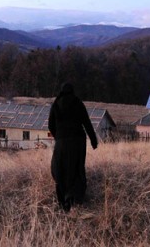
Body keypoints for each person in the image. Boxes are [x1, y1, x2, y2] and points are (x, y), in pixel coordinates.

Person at [48, 83, 98, 212]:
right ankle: (75, 196)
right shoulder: (77, 102)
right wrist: (93, 140)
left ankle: (64, 201)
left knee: (60, 168)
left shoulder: (56, 104)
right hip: (78, 140)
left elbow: (50, 125)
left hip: (62, 141)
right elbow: (86, 122)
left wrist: (58, 136)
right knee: (76, 167)